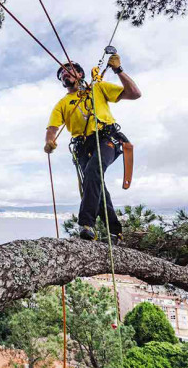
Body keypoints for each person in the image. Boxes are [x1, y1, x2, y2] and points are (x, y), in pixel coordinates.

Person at [44, 53, 142, 241]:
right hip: (82, 147)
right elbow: (52, 128)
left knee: (93, 171)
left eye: (70, 70)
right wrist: (49, 141)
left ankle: (86, 223)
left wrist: (118, 70)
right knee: (96, 184)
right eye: (62, 74)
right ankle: (115, 231)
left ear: (80, 74)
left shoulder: (97, 88)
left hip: (106, 138)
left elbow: (134, 93)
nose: (65, 74)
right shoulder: (62, 104)